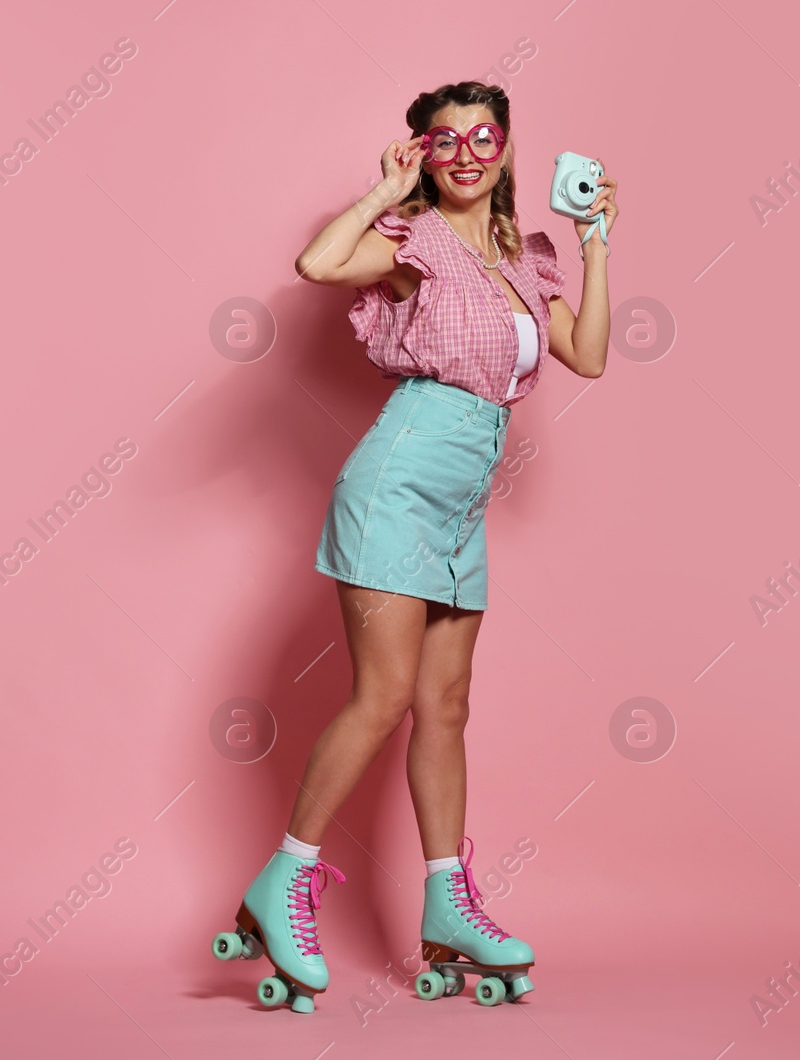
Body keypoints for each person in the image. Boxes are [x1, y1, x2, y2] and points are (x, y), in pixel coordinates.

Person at [211, 81, 618, 1013]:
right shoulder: (413, 243)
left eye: (483, 136)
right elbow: (317, 264)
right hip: (397, 482)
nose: (467, 152)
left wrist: (597, 240)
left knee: (446, 703)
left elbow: (588, 355)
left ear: (508, 147)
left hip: (463, 499)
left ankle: (448, 902)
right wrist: (384, 195)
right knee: (385, 692)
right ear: (423, 155)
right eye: (444, 141)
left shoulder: (525, 257)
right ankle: (287, 875)